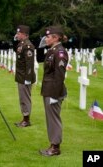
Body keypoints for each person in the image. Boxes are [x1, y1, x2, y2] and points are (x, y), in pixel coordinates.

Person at [39, 26, 68, 156]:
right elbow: (41, 61)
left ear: (56, 38)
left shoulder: (60, 52)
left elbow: (59, 75)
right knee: (50, 119)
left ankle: (55, 147)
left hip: (53, 92)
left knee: (54, 119)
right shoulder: (52, 50)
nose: (46, 38)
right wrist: (40, 48)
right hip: (48, 90)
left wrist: (55, 95)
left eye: (49, 37)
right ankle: (53, 144)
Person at [14, 25, 36, 127]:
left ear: (25, 35)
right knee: (22, 98)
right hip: (21, 76)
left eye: (19, 33)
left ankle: (26, 120)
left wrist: (28, 78)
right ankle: (24, 118)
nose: (17, 35)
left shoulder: (28, 46)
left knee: (25, 98)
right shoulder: (21, 44)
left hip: (25, 77)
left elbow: (29, 64)